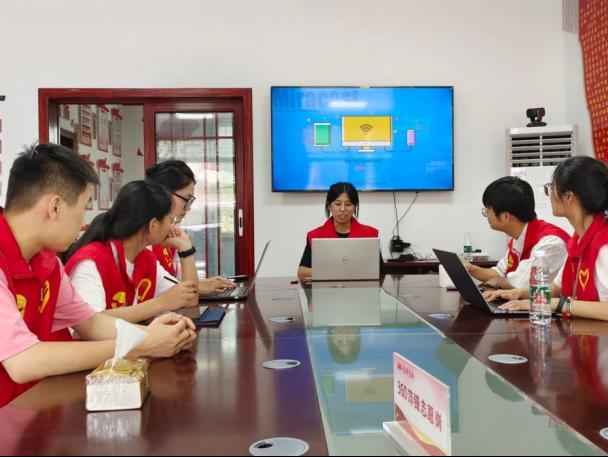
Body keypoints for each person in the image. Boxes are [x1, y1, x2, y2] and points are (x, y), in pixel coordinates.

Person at [0, 144, 195, 408]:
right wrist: (140, 344)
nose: (84, 221)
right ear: (55, 207)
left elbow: (91, 324)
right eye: (83, 207)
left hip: (31, 407)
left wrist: (162, 335)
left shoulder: (47, 263)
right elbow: (23, 361)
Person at [489, 156, 608, 321]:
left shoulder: (604, 245)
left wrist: (558, 304)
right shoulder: (579, 239)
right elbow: (556, 287)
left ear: (569, 196)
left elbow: (558, 300)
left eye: (551, 188)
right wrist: (519, 294)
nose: (549, 194)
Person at [65, 180, 200, 324]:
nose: (173, 227)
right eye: (170, 220)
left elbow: (189, 299)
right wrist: (161, 303)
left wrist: (186, 249)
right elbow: (91, 323)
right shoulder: (91, 262)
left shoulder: (145, 258)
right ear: (153, 225)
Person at [145, 160, 235, 295]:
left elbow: (171, 284)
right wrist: (197, 287)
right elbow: (183, 294)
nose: (189, 207)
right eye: (187, 200)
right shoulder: (146, 241)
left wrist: (200, 284)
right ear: (164, 194)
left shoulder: (170, 234)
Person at [464, 176, 569, 289]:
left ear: (506, 216)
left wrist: (498, 281)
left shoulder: (550, 243)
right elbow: (499, 272)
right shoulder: (519, 237)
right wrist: (470, 268)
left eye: (488, 209)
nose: (486, 215)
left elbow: (520, 284)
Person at [297, 182, 380, 282]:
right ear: (329, 205)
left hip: (360, 288)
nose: (343, 209)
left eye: (348, 204)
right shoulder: (316, 236)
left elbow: (380, 270)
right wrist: (332, 272)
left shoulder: (369, 234)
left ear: (355, 206)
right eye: (337, 204)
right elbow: (302, 272)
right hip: (326, 289)